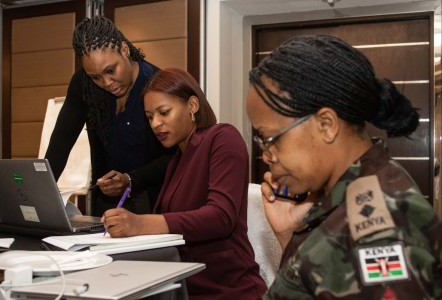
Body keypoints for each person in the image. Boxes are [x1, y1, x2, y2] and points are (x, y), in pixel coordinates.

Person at [245, 34, 441, 299]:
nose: (267, 155)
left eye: (270, 138)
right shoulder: (344, 196)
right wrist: (289, 235)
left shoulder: (379, 227)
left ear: (326, 125)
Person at [101, 68, 267, 299]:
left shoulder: (222, 138)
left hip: (227, 289)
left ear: (192, 106)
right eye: (150, 117)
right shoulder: (176, 161)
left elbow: (220, 217)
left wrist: (140, 224)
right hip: (185, 287)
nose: (156, 123)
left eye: (164, 112)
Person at [45, 16, 174, 216]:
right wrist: (41, 198)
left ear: (124, 49)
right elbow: (61, 142)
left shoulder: (156, 85)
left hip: (152, 202)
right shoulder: (84, 84)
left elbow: (174, 157)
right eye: (95, 77)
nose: (106, 82)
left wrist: (131, 179)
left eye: (111, 70)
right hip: (106, 202)